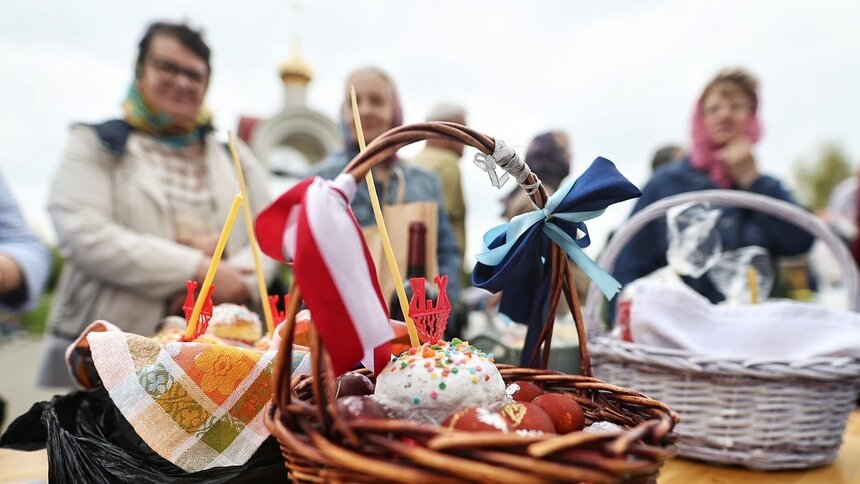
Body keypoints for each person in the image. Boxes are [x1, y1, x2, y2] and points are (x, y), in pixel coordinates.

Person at [38, 21, 276, 387]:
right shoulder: (95, 143)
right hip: (112, 356)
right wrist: (197, 266)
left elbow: (272, 231)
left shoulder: (233, 154)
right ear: (140, 69)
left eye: (195, 75)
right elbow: (85, 233)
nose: (182, 82)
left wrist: (235, 279)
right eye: (168, 67)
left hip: (218, 359)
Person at [612, 68, 814, 304]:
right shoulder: (666, 184)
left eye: (737, 106)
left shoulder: (768, 187)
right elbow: (628, 262)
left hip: (749, 330)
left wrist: (752, 181)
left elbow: (800, 242)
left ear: (752, 117)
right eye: (714, 108)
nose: (725, 115)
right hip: (677, 333)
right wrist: (627, 321)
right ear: (700, 119)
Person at [313, 67, 462, 317]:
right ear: (343, 113)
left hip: (414, 337)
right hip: (344, 330)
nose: (366, 110)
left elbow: (447, 253)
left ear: (394, 109)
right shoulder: (322, 180)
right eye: (354, 103)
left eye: (377, 101)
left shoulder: (425, 182)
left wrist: (446, 311)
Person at [411, 102, 468, 259]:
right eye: (462, 131)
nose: (467, 142)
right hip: (442, 266)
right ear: (446, 130)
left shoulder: (415, 162)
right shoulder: (448, 163)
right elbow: (444, 224)